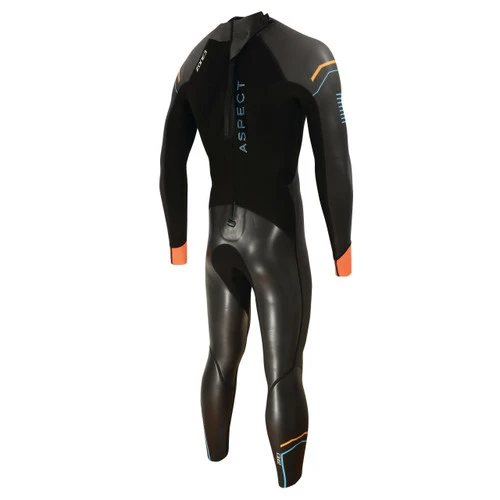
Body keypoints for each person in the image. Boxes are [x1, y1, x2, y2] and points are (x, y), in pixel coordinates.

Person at [159, 11, 353, 487]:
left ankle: (214, 464)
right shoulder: (310, 57)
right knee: (283, 373)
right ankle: (289, 484)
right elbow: (333, 161)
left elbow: (169, 160)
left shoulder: (194, 61)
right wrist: (342, 247)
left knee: (220, 358)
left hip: (218, 244)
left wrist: (178, 242)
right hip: (274, 243)